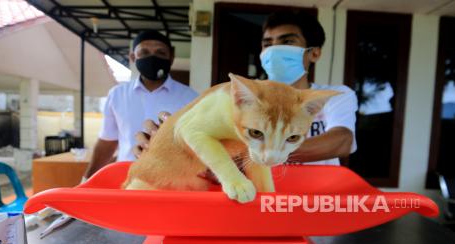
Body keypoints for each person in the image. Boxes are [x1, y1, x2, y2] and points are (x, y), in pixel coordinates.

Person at [134, 11, 357, 168]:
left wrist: (260, 151)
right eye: (268, 44)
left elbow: (341, 141)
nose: (274, 50)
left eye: (287, 42)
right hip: (260, 199)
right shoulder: (240, 96)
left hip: (316, 202)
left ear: (314, 53)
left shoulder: (334, 95)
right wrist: (171, 139)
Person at [83, 30, 198, 179]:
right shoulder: (117, 95)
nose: (152, 58)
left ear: (171, 57)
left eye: (160, 52)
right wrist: (86, 179)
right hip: (125, 179)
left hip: (171, 180)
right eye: (144, 52)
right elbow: (107, 142)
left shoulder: (191, 98)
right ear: (133, 57)